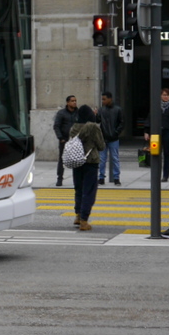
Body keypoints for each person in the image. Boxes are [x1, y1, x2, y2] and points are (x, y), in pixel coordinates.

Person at [69, 104, 105, 232]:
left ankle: (78, 216)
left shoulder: (74, 127)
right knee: (88, 191)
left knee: (78, 188)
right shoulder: (93, 128)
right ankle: (84, 220)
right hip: (91, 162)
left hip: (76, 161)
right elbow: (101, 146)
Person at [97, 91, 123, 186]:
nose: (103, 101)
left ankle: (116, 178)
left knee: (115, 158)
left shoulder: (117, 110)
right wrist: (95, 114)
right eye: (102, 99)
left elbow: (121, 123)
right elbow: (97, 120)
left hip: (113, 138)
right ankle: (101, 177)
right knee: (102, 159)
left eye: (104, 99)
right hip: (103, 138)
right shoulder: (101, 110)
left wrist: (116, 133)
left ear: (110, 99)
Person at [53, 95, 78, 187]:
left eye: (75, 101)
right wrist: (61, 138)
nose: (74, 102)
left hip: (76, 141)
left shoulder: (78, 113)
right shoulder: (61, 113)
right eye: (72, 101)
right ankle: (59, 178)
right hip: (65, 140)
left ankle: (77, 179)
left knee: (77, 160)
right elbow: (56, 126)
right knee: (62, 160)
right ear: (67, 102)